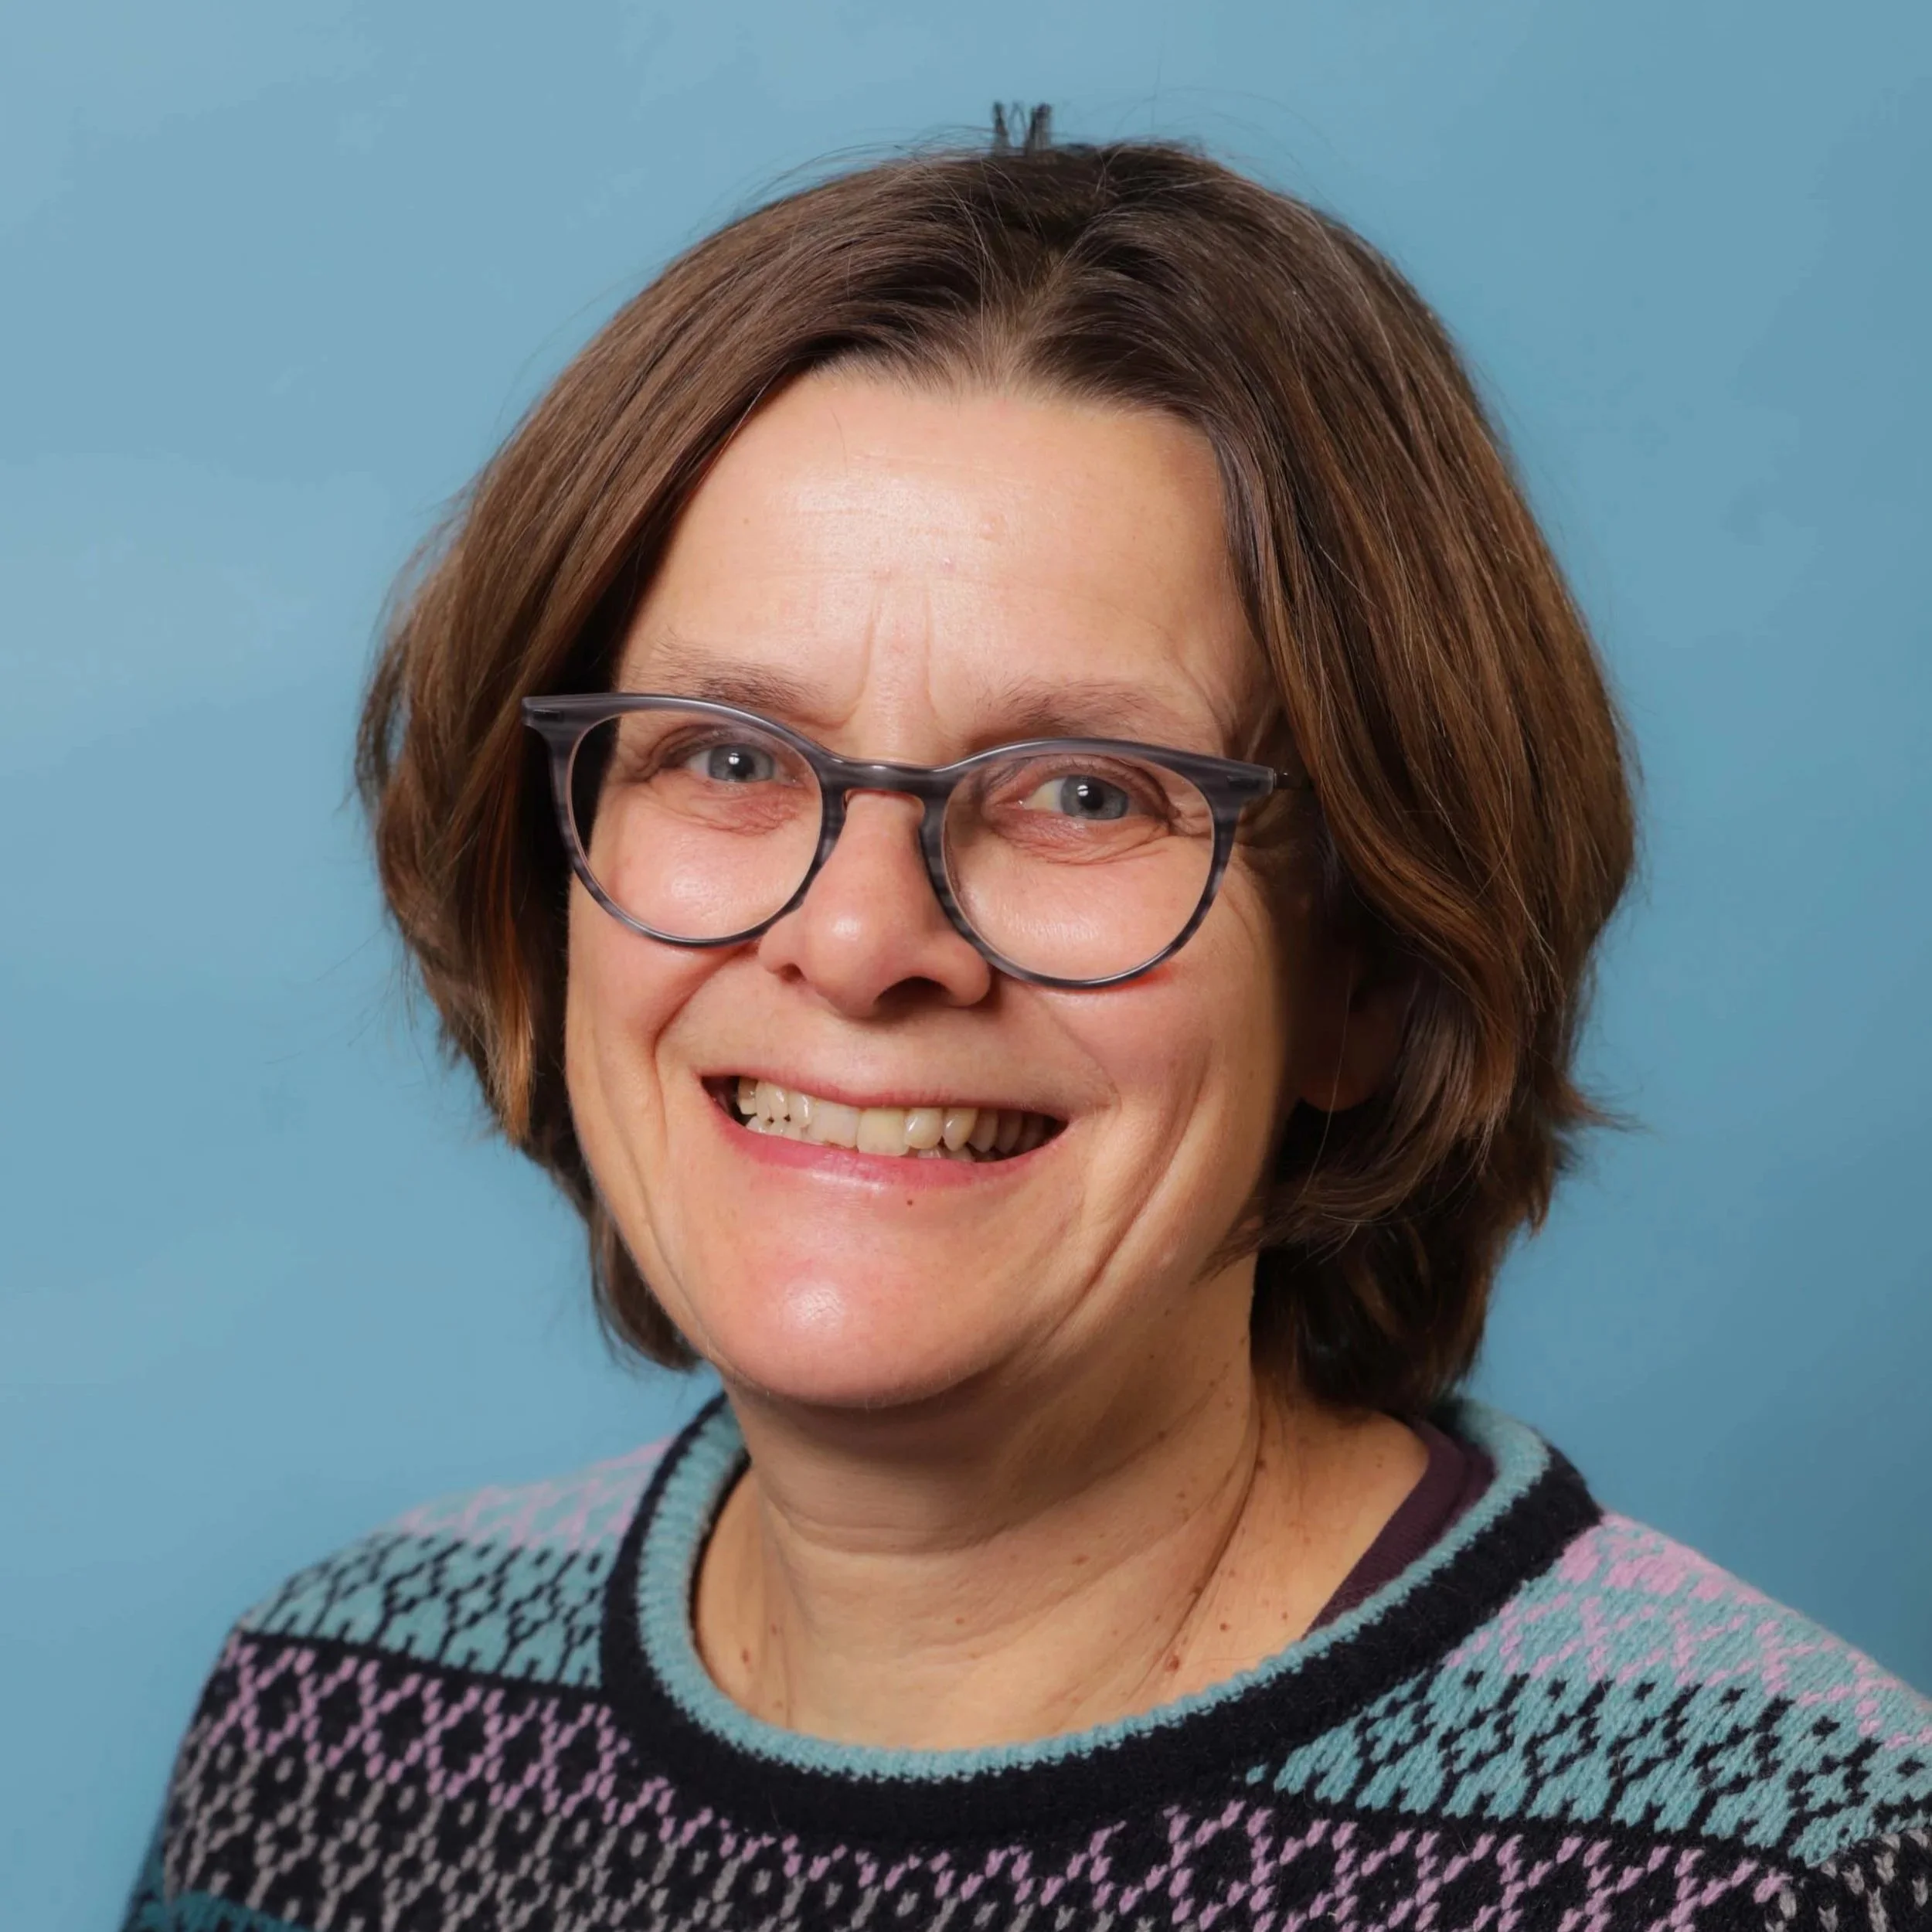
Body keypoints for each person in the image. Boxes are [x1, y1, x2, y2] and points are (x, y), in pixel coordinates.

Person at [124, 119, 1932, 1932]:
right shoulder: (340, 1726)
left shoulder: (1761, 1870)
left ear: (1370, 968)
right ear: (555, 869)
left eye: (1082, 790)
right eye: (729, 757)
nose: (858, 940)